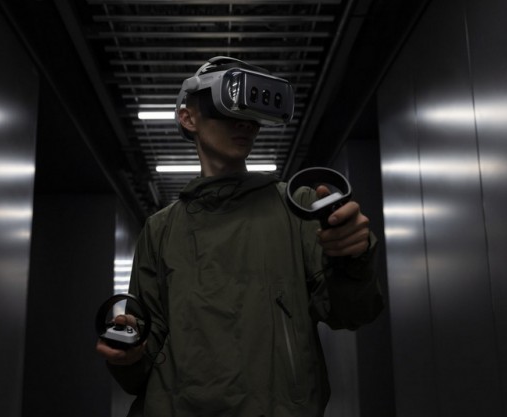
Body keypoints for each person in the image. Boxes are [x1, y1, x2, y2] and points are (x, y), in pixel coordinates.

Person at [96, 57, 383, 417]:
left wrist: (353, 257)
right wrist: (128, 354)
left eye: (252, 115)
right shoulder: (160, 230)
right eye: (226, 108)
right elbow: (142, 364)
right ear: (188, 118)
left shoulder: (297, 208)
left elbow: (353, 312)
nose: (245, 123)